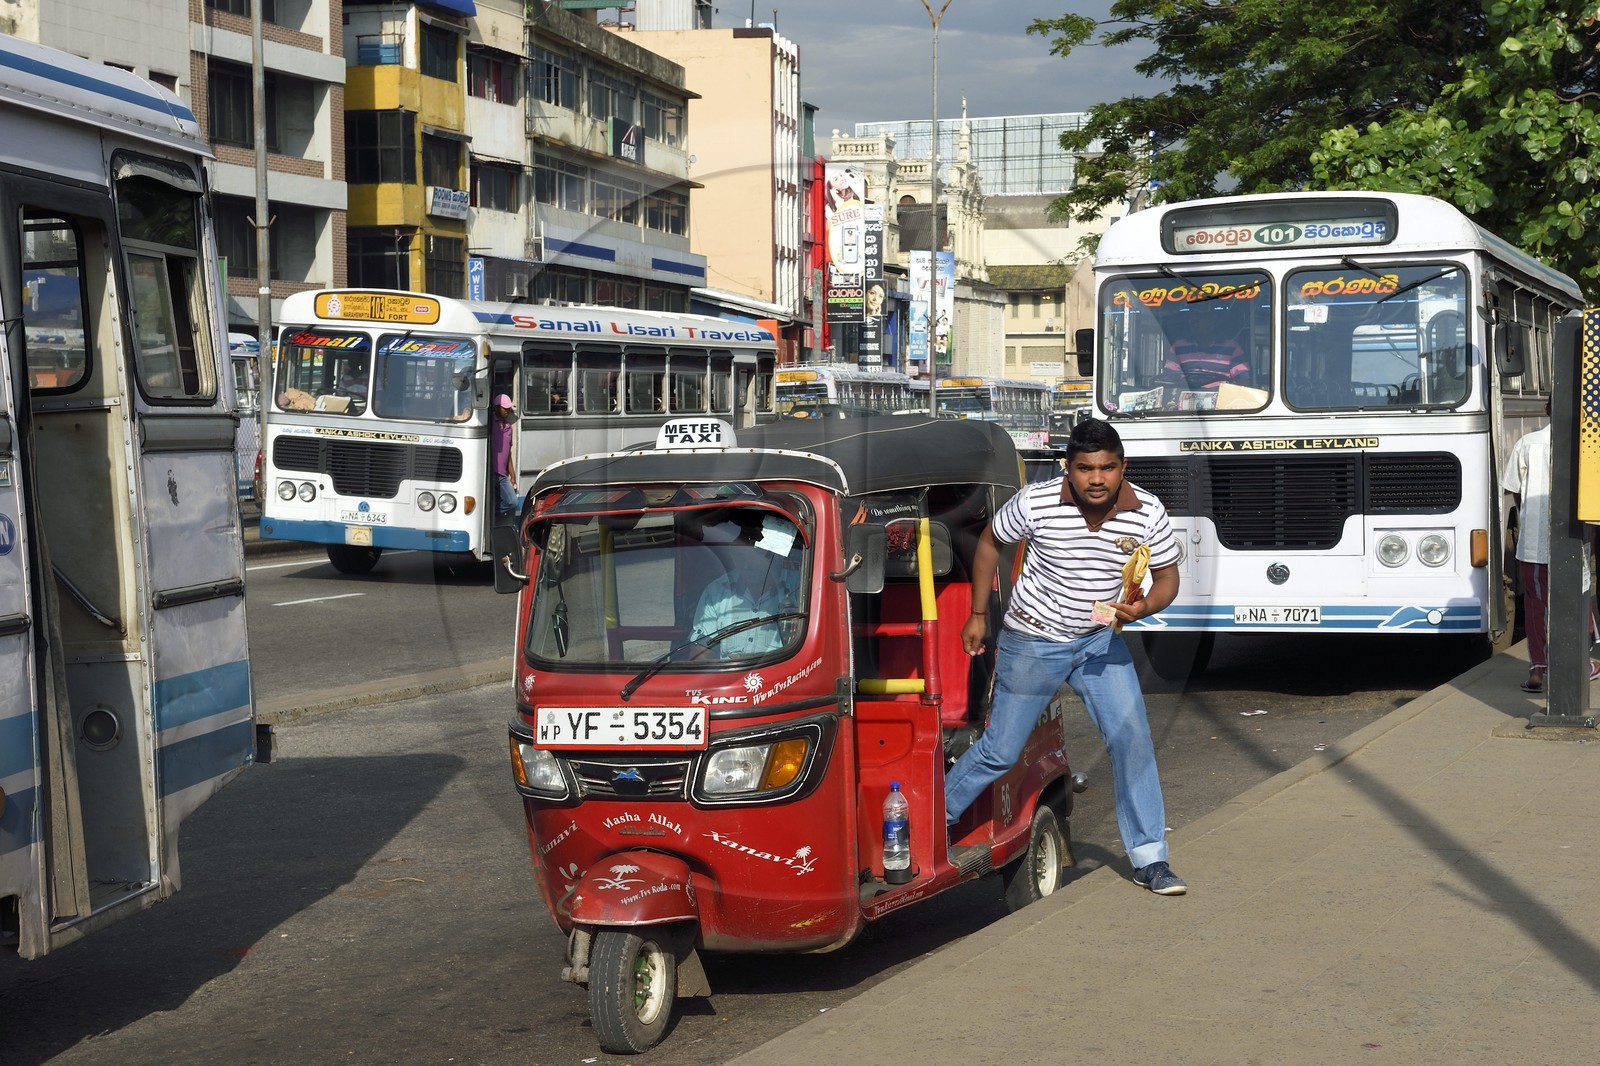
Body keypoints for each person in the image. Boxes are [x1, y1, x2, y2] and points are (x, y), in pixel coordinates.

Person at [942, 418, 1188, 894]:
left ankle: (1151, 859)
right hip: (1033, 639)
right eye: (1085, 468)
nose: (1097, 479)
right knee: (1001, 750)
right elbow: (992, 542)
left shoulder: (1148, 511)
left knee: (1132, 739)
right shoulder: (1036, 502)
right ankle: (932, 824)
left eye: (1108, 468)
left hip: (1099, 642)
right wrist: (977, 613)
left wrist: (1143, 608)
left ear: (1123, 468)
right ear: (1067, 469)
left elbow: (1167, 578)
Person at [1501, 400, 1597, 693]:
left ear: (1545, 410)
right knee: (1573, 602)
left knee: (1535, 605)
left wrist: (1531, 521)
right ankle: (1580, 663)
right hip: (1571, 541)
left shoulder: (1527, 443)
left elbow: (1515, 492)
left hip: (1533, 545)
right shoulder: (1585, 444)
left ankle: (1537, 669)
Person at [690, 519, 803, 657]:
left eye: (752, 559)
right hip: (731, 674)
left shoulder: (800, 588)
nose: (745, 566)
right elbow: (701, 650)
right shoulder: (717, 592)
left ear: (773, 556)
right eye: (739, 557)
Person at [1161, 311, 1250, 391]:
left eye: (1199, 316)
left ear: (1212, 321)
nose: (1193, 321)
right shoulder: (1177, 347)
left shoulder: (1232, 347)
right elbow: (1169, 379)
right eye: (1192, 317)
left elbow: (1244, 382)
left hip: (1221, 405)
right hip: (1185, 403)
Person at [491, 393, 518, 515]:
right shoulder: (490, 423)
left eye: (508, 409)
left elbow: (508, 453)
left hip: (502, 475)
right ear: (497, 407)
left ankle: (492, 514)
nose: (507, 411)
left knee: (512, 502)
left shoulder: (508, 427)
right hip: (491, 474)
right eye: (504, 408)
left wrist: (512, 475)